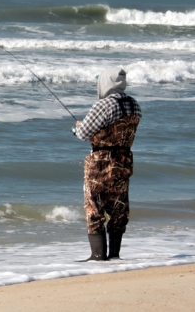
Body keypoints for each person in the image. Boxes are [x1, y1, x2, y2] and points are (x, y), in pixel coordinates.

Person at [73, 67, 141, 261]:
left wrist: (77, 128)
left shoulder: (103, 105)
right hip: (123, 162)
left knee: (94, 207)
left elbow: (83, 134)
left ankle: (98, 255)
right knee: (119, 208)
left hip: (100, 163)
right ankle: (114, 255)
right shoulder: (134, 105)